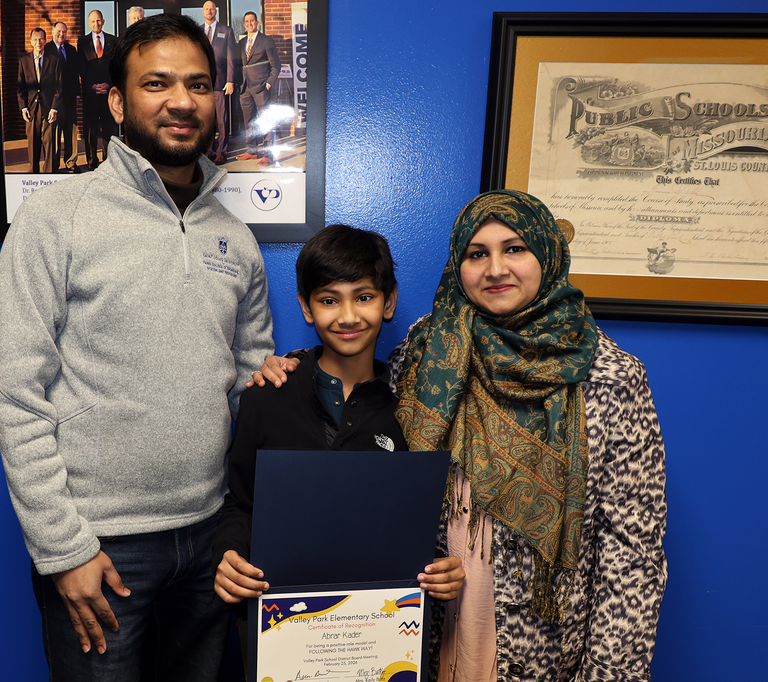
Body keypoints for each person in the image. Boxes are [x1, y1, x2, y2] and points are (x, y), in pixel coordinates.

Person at [252, 191, 668, 681]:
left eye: (515, 249)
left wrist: (610, 675)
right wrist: (292, 368)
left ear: (548, 254)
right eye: (477, 254)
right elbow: (359, 393)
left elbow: (633, 550)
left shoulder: (611, 376)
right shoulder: (428, 348)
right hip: (422, 629)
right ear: (459, 264)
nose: (495, 269)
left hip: (544, 648)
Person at [0, 14, 274, 681]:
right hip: (101, 549)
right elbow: (15, 390)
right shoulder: (58, 217)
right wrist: (64, 548)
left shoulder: (235, 237)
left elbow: (251, 382)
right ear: (117, 101)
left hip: (211, 546)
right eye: (157, 83)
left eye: (198, 85)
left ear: (216, 98)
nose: (182, 101)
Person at [212, 225, 465, 606]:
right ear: (306, 307)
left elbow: (418, 523)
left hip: (381, 623)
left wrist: (442, 570)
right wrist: (230, 553)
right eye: (329, 300)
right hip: (279, 615)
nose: (348, 316)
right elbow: (243, 503)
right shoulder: (268, 397)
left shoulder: (411, 410)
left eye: (364, 297)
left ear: (389, 302)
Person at [236, 11, 279, 164]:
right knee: (249, 121)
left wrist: (269, 82)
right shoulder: (241, 43)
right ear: (244, 24)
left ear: (257, 22)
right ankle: (251, 151)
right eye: (247, 21)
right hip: (245, 88)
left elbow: (276, 65)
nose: (249, 24)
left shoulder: (266, 40)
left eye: (252, 21)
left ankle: (268, 154)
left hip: (261, 88)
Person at [17, 27, 61, 173]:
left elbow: (59, 87)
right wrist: (23, 108)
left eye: (41, 39)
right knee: (33, 142)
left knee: (49, 142)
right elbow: (21, 88)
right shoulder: (24, 61)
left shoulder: (54, 60)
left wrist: (54, 108)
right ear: (31, 42)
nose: (38, 42)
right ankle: (33, 173)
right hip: (31, 108)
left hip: (49, 108)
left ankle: (48, 173)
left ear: (45, 40)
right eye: (35, 39)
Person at [79, 10, 117, 169]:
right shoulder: (82, 42)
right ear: (89, 23)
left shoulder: (113, 40)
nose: (96, 24)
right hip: (91, 94)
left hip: (108, 93)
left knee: (109, 130)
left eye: (99, 20)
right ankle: (92, 161)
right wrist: (92, 85)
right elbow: (81, 68)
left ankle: (108, 163)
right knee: (91, 131)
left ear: (103, 21)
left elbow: (115, 66)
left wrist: (108, 84)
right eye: (93, 21)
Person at [201, 0, 236, 165]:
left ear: (216, 11)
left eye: (212, 9)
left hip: (220, 83)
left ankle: (222, 151)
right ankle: (208, 151)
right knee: (206, 120)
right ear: (203, 12)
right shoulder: (197, 32)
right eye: (207, 9)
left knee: (222, 120)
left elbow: (231, 58)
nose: (209, 11)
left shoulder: (226, 31)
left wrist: (230, 80)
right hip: (200, 86)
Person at [44, 22, 79, 173]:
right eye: (59, 31)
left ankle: (71, 161)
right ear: (53, 31)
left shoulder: (71, 50)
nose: (61, 34)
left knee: (71, 130)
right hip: (54, 100)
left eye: (64, 32)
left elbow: (75, 74)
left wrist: (77, 93)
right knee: (55, 133)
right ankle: (54, 164)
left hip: (70, 98)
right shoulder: (46, 49)